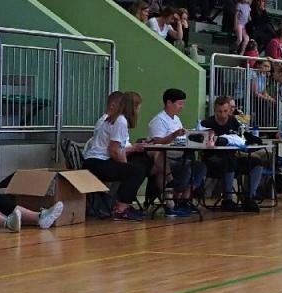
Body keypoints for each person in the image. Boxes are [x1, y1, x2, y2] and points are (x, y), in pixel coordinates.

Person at [84, 90, 150, 221]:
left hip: (96, 161)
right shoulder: (121, 121)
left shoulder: (116, 118)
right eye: (138, 108)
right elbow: (113, 150)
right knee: (136, 171)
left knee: (139, 164)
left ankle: (121, 203)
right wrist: (125, 166)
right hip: (98, 163)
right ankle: (121, 207)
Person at [201, 96, 267, 211]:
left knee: (256, 162)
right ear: (215, 111)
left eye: (225, 111)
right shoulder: (206, 123)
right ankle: (227, 199)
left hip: (233, 157)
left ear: (230, 110)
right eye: (219, 111)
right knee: (229, 160)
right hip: (213, 160)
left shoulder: (234, 121)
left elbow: (241, 138)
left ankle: (249, 198)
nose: (222, 115)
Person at [147, 87, 198, 218]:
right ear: (169, 103)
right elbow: (157, 142)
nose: (182, 107)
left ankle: (184, 199)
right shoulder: (159, 120)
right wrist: (174, 135)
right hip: (165, 157)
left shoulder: (176, 119)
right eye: (180, 103)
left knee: (199, 167)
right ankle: (170, 201)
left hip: (179, 154)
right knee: (161, 161)